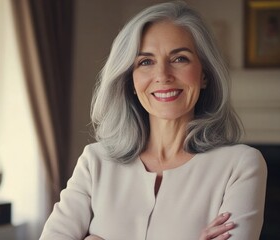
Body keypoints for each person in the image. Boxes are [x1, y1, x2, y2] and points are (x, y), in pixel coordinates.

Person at [40, 1, 267, 239]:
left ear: (204, 75)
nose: (162, 76)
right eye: (145, 62)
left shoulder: (241, 166)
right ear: (131, 81)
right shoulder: (94, 162)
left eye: (180, 59)